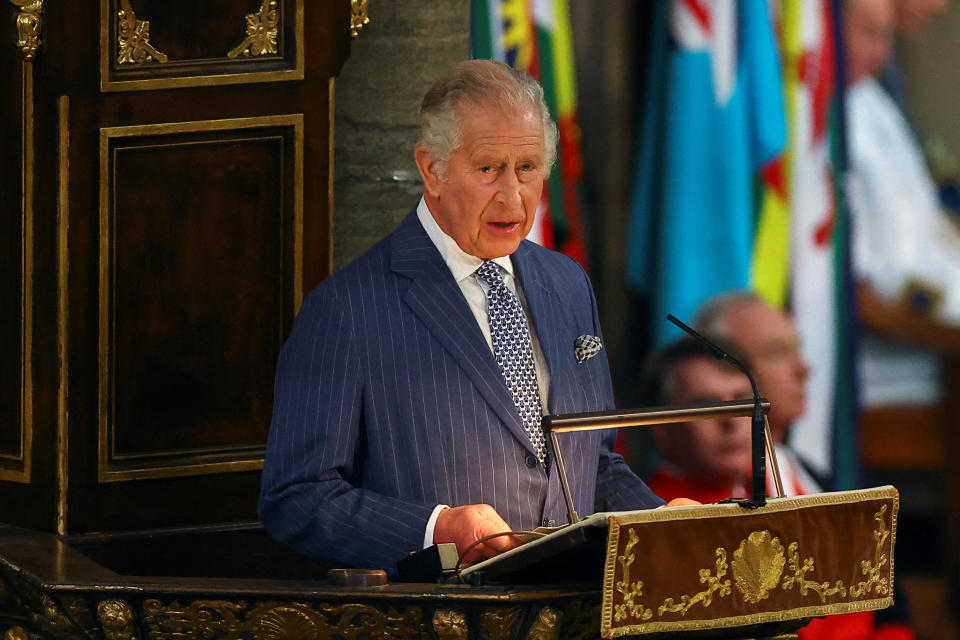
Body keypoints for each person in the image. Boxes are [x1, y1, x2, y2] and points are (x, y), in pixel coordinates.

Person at [258, 60, 666, 573]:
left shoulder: (567, 283)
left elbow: (592, 463)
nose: (513, 196)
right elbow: (296, 498)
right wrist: (438, 530)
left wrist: (659, 524)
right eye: (488, 168)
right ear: (433, 170)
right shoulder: (347, 310)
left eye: (528, 168)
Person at [695, 292, 823, 496]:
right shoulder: (717, 494)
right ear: (724, 369)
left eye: (796, 349)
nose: (803, 370)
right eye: (777, 353)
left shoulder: (802, 470)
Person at [641, 337, 754, 504]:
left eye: (741, 400)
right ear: (662, 428)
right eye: (707, 406)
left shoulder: (774, 480)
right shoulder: (653, 516)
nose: (732, 420)